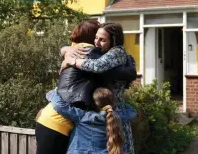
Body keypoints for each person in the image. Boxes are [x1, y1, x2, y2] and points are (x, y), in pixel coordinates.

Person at [35, 20, 136, 154]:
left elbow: (98, 66)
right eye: (96, 38)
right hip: (104, 115)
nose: (97, 42)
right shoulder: (88, 50)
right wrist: (65, 50)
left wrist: (71, 60)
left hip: (109, 114)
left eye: (102, 40)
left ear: (114, 40)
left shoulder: (113, 52)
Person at [47, 87, 136, 154]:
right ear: (112, 102)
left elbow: (60, 106)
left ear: (92, 103)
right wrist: (116, 104)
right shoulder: (119, 117)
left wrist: (52, 93)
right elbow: (132, 111)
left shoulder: (83, 116)